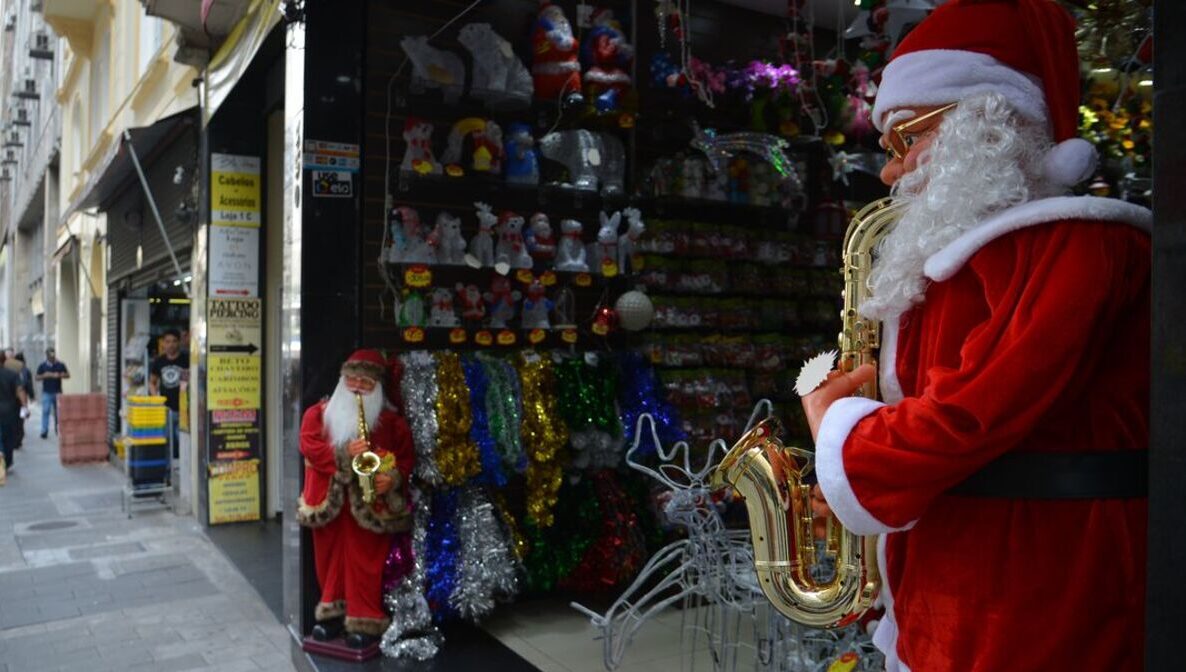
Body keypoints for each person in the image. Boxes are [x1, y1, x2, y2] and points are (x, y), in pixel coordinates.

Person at [802, 2, 1150, 670]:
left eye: (907, 139)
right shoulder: (996, 252)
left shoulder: (1072, 246)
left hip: (1034, 588)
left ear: (983, 122)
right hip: (964, 575)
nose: (891, 173)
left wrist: (837, 425)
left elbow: (969, 414)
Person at [297, 349, 414, 648]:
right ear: (342, 380)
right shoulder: (317, 414)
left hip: (371, 504)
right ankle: (332, 614)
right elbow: (308, 446)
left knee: (366, 563)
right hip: (329, 502)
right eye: (352, 380)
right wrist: (342, 454)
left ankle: (364, 620)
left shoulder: (389, 422)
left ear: (377, 387)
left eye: (366, 382)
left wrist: (394, 477)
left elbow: (405, 457)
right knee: (328, 560)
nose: (358, 386)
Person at [148, 329, 189, 455]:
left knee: (184, 442)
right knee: (167, 442)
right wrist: (156, 399)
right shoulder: (159, 361)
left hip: (184, 409)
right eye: (168, 341)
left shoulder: (186, 360)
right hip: (166, 410)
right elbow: (152, 382)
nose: (171, 344)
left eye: (174, 341)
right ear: (163, 343)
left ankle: (184, 471)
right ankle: (168, 470)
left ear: (179, 343)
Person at [0, 351, 31, 474]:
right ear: (4, 361)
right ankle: (6, 462)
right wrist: (25, 406)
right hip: (10, 411)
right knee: (8, 438)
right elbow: (20, 390)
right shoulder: (12, 374)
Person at [36, 347, 69, 439]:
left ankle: (58, 429)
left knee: (59, 412)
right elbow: (37, 377)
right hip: (47, 392)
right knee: (45, 411)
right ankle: (44, 431)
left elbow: (67, 375)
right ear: (46, 355)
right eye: (50, 354)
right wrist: (45, 375)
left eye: (53, 354)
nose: (52, 356)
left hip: (58, 392)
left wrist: (61, 375)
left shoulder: (60, 364)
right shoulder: (42, 366)